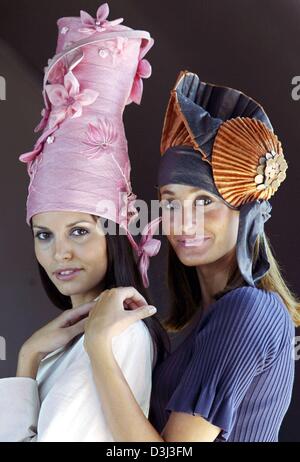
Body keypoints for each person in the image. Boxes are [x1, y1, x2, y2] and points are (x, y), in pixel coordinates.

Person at [80, 71, 300, 442]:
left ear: (244, 211)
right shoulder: (212, 319)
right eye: (170, 201)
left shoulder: (250, 310)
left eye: (203, 201)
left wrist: (97, 345)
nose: (183, 222)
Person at [0, 3, 168, 442]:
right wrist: (28, 356)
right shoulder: (68, 344)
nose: (60, 253)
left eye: (79, 231)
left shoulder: (118, 338)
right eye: (44, 234)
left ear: (115, 233)